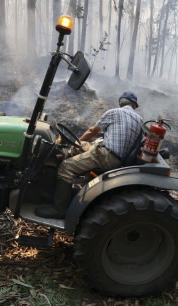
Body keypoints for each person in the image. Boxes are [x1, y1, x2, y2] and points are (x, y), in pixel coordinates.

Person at [36, 91, 144, 219]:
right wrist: (78, 144)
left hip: (105, 156)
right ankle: (61, 187)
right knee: (77, 148)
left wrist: (78, 141)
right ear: (134, 105)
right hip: (114, 156)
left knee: (65, 168)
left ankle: (59, 208)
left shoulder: (114, 112)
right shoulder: (140, 120)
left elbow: (93, 131)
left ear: (121, 102)